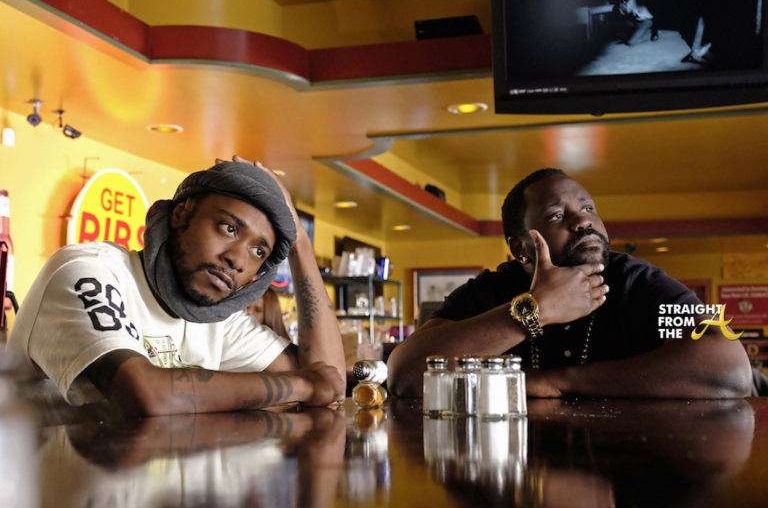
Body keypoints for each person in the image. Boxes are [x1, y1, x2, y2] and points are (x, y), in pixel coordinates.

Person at [8, 156, 346, 416]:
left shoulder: (218, 320)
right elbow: (144, 393)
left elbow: (329, 384)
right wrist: (302, 385)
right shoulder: (90, 270)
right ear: (181, 214)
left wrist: (300, 243)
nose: (237, 260)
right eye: (229, 228)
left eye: (259, 251)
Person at [387, 168, 752, 398]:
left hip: (625, 473)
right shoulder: (491, 290)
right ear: (520, 248)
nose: (583, 222)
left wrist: (559, 381)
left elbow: (729, 370)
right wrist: (533, 312)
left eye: (588, 208)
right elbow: (405, 375)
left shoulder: (636, 282)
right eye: (557, 215)